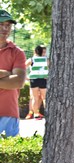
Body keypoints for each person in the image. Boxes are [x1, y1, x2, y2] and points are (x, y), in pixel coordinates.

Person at [0, 9, 26, 137]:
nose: (5, 28)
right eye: (1, 24)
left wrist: (12, 78)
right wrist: (7, 73)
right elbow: (13, 79)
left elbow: (18, 82)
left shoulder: (17, 52)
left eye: (8, 25)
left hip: (8, 114)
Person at [25, 45, 48, 119]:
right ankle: (47, 114)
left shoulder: (31, 59)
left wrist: (26, 77)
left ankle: (36, 114)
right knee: (45, 97)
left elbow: (23, 67)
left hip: (33, 79)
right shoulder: (46, 59)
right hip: (43, 79)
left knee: (35, 98)